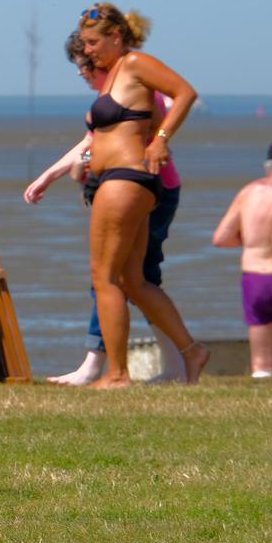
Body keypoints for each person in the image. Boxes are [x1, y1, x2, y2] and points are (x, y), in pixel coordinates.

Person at [25, 32, 186, 385]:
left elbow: (129, 135)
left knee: (122, 279)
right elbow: (93, 142)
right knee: (126, 279)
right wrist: (49, 176)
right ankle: (173, 360)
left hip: (142, 188)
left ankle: (114, 365)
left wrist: (57, 174)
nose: (83, 73)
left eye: (85, 66)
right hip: (132, 187)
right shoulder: (114, 88)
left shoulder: (135, 82)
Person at [75, 2, 208, 388]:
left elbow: (184, 92)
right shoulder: (117, 71)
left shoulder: (135, 63)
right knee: (132, 280)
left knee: (105, 278)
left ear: (115, 37)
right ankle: (193, 352)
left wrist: (160, 141)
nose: (88, 51)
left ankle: (117, 374)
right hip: (120, 180)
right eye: (85, 44)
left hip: (125, 179)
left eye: (92, 42)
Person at [212, 139, 272, 377]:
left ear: (268, 167)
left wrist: (254, 243)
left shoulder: (248, 193)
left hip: (255, 277)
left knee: (261, 362)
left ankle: (263, 388)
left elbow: (221, 238)